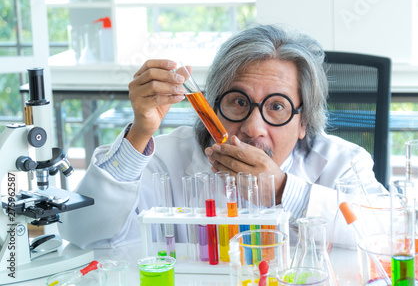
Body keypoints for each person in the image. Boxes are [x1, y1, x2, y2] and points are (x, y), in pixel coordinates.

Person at [59, 24, 383, 249]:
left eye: (277, 107)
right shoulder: (165, 159)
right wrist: (140, 133)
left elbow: (387, 232)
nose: (254, 128)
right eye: (238, 102)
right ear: (210, 107)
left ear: (303, 122)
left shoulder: (342, 163)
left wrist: (284, 190)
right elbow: (83, 232)